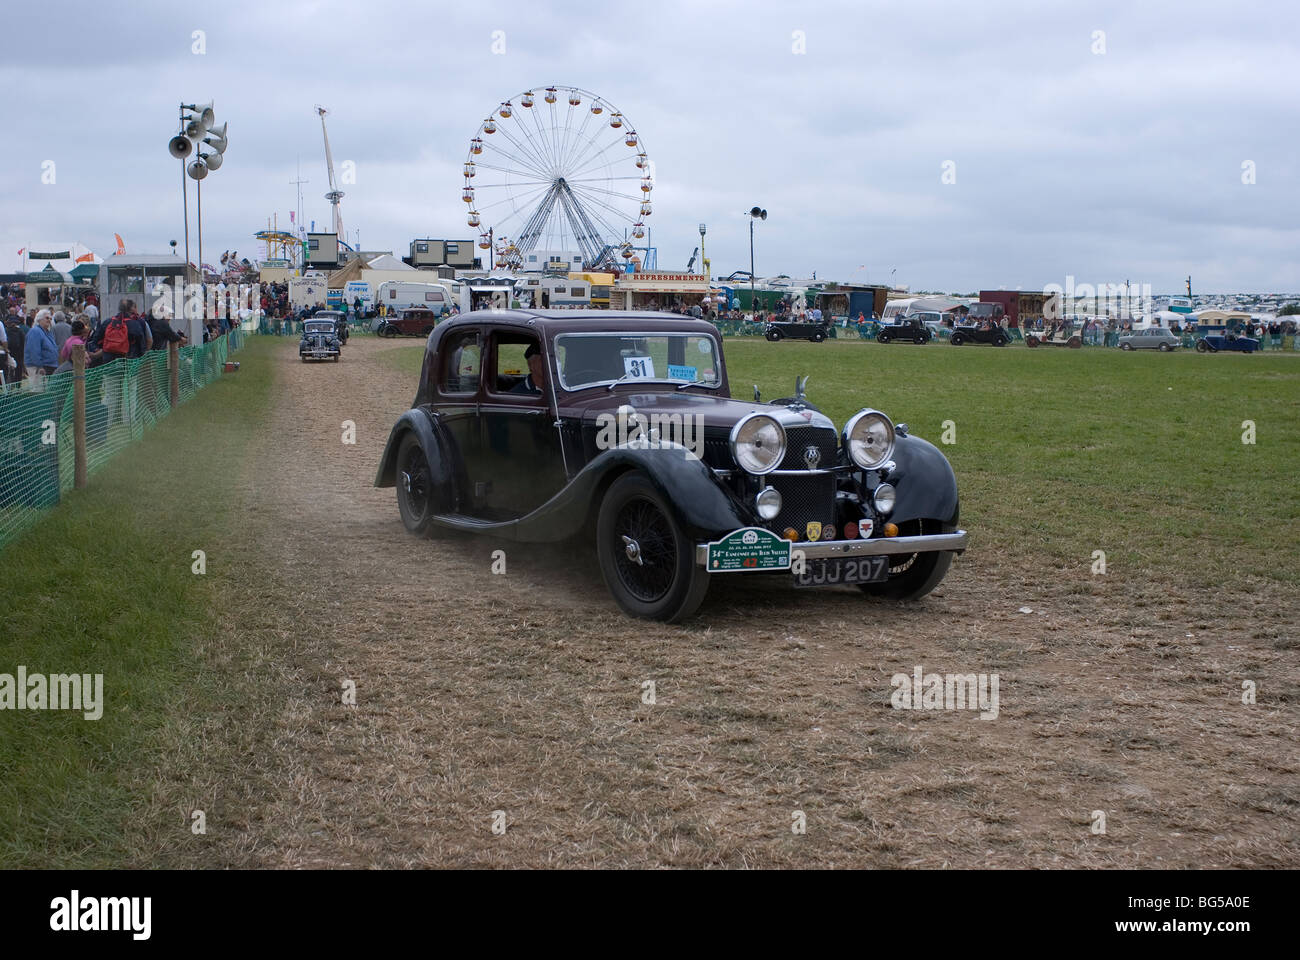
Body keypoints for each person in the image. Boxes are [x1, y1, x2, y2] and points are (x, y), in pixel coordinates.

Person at [25, 310, 59, 375]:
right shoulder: (35, 331)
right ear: (39, 319)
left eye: (50, 318)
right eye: (47, 318)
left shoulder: (48, 332)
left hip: (50, 367)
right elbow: (34, 351)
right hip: (39, 368)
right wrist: (39, 366)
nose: (49, 320)